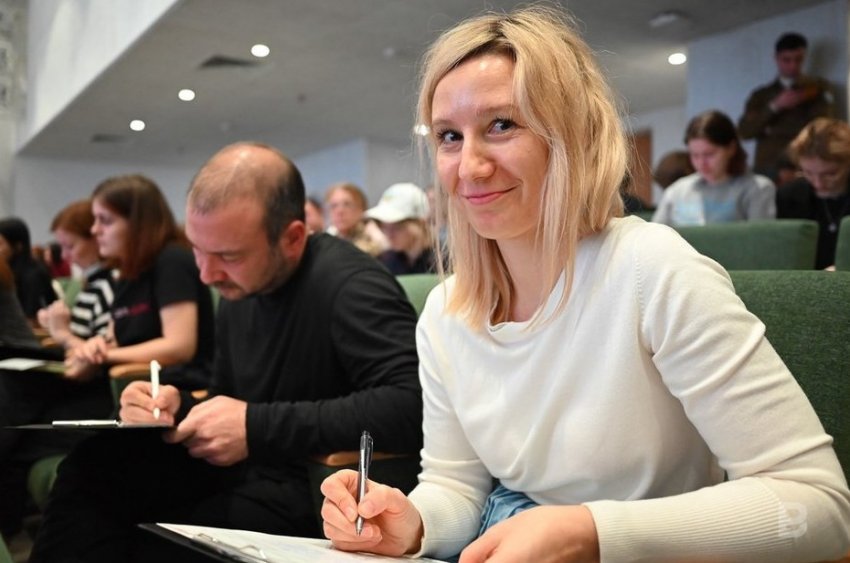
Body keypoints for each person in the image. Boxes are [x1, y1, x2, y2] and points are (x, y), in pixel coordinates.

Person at [320, 7, 850, 562]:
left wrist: (590, 532)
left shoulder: (651, 268)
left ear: (572, 137)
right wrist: (413, 523)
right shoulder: (445, 312)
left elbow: (817, 504)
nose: (469, 167)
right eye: (450, 136)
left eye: (501, 125)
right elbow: (456, 485)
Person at [29, 142, 423, 562]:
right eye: (197, 250)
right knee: (94, 467)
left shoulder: (352, 286)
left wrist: (255, 426)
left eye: (227, 256)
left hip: (311, 489)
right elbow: (229, 394)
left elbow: (410, 404)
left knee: (153, 544)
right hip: (248, 468)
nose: (206, 274)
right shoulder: (239, 287)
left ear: (292, 238)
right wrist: (176, 406)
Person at [63, 175, 214, 389]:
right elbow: (116, 337)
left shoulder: (172, 261)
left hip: (176, 388)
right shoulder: (128, 271)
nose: (95, 230)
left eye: (105, 221)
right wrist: (98, 345)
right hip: (135, 383)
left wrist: (105, 356)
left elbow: (179, 347)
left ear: (137, 225)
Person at [652, 110, 776, 225]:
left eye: (709, 154)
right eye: (695, 155)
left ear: (731, 148)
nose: (701, 163)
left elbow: (760, 239)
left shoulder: (757, 189)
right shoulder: (676, 191)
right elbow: (654, 236)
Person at [738, 32, 834, 180]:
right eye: (786, 60)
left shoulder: (816, 90)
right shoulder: (761, 96)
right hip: (767, 169)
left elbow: (822, 130)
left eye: (798, 59)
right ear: (776, 58)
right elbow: (745, 132)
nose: (793, 65)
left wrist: (770, 130)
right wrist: (774, 106)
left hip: (803, 167)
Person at [37, 200, 115, 350]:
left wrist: (62, 333)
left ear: (96, 240)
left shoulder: (108, 287)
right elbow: (84, 336)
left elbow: (101, 353)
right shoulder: (92, 283)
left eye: (70, 246)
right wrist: (55, 323)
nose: (64, 255)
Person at [778, 118, 850, 269]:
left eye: (830, 174)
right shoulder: (789, 196)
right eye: (808, 173)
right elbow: (787, 253)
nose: (818, 184)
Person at [366, 182, 437, 275]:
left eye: (397, 226)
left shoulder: (444, 261)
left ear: (421, 222)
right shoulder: (385, 262)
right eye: (383, 226)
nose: (389, 235)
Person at [0, 217, 57, 321]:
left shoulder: (33, 275)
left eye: (0, 244)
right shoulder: (7, 272)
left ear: (18, 246)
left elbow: (32, 318)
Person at [324, 182, 388, 256]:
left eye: (347, 204)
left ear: (361, 209)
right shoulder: (326, 242)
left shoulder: (376, 240)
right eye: (334, 206)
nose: (339, 211)